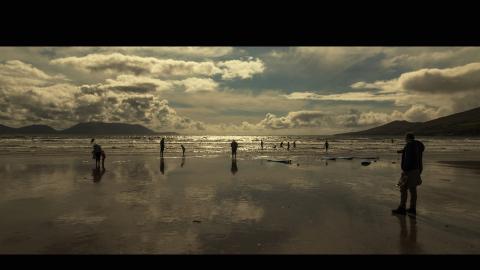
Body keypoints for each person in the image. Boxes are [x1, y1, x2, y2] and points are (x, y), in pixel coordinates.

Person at [392, 133, 425, 215]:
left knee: (403, 189)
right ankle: (412, 208)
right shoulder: (417, 145)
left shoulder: (409, 145)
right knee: (413, 190)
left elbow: (409, 158)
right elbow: (412, 154)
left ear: (407, 138)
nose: (405, 140)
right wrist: (402, 151)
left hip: (409, 171)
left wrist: (405, 170)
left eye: (405, 138)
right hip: (416, 170)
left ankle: (402, 208)